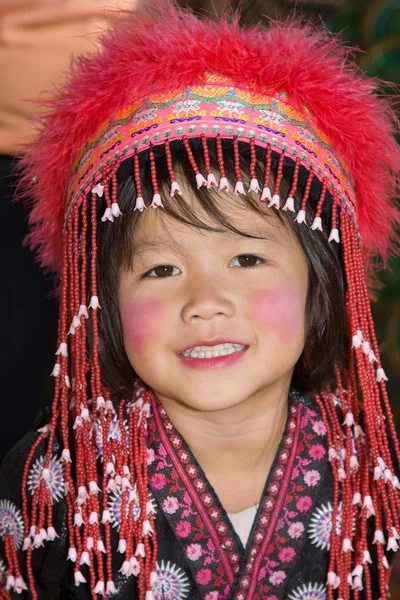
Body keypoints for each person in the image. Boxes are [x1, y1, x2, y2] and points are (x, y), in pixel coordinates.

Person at [0, 3, 399, 599]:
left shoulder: (370, 469)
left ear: (322, 282)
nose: (205, 302)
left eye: (247, 260)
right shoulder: (53, 477)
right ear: (103, 302)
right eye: (161, 269)